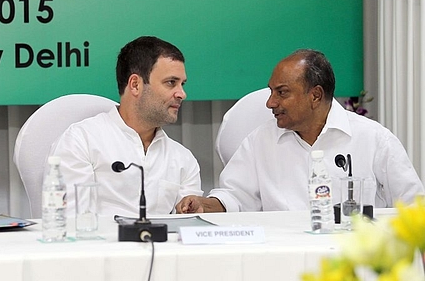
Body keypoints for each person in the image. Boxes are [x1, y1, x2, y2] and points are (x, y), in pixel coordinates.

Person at [177, 49, 424, 213]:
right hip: (283, 261)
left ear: (315, 95)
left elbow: (413, 207)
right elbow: (235, 197)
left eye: (281, 92)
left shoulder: (373, 139)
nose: (270, 103)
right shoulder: (260, 141)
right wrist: (204, 205)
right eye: (271, 91)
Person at [48, 36, 203, 217]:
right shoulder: (81, 141)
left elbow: (187, 229)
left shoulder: (184, 159)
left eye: (182, 84)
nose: (182, 94)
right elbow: (70, 222)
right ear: (135, 85)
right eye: (171, 83)